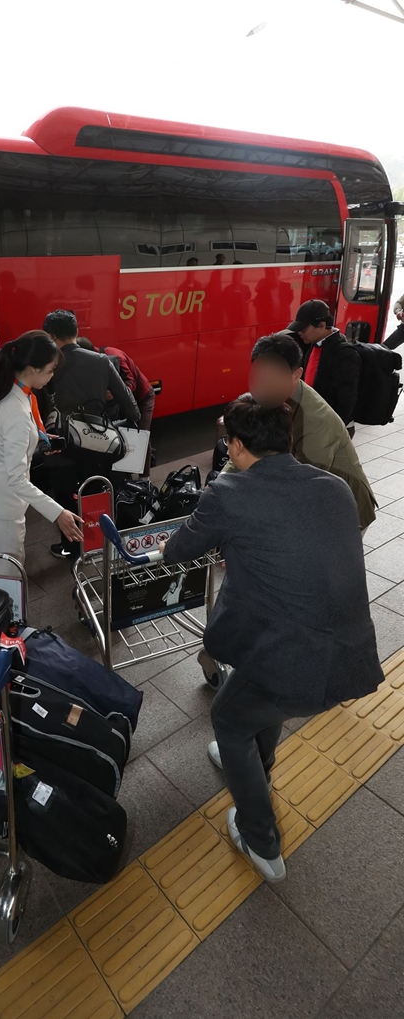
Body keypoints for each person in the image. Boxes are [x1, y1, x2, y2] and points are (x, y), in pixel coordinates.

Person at [162, 396, 382, 883]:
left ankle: (261, 841)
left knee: (228, 715)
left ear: (237, 446)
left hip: (292, 659)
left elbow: (180, 548)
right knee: (259, 696)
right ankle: (255, 762)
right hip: (348, 655)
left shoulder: (229, 491)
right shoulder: (334, 488)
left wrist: (159, 549)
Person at [221, 332, 377, 531]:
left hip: (341, 510)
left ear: (296, 374)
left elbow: (299, 488)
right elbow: (244, 445)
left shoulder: (315, 421)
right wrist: (222, 483)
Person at [0, 330, 84, 567]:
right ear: (34, 369)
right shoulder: (17, 410)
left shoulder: (14, 392)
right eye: (51, 369)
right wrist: (58, 512)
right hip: (1, 507)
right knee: (9, 572)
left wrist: (37, 440)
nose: (52, 376)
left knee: (6, 567)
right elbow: (16, 479)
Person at [43, 309, 140, 559]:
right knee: (97, 491)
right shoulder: (101, 361)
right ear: (76, 332)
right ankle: (98, 542)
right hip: (97, 445)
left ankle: (71, 546)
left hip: (61, 446)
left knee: (65, 498)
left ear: (51, 336)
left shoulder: (48, 364)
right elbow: (132, 409)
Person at [77, 336, 155, 478]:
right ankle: (125, 476)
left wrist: (113, 393)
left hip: (142, 397)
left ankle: (145, 478)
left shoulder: (114, 356)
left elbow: (131, 383)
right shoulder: (92, 361)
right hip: (122, 402)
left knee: (140, 435)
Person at [289, 299, 361, 429]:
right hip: (314, 419)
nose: (299, 333)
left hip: (332, 425)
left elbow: (347, 398)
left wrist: (336, 427)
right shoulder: (313, 346)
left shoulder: (344, 353)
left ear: (322, 326)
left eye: (303, 329)